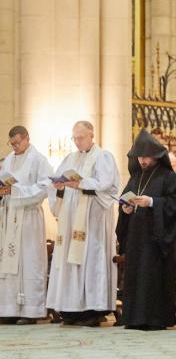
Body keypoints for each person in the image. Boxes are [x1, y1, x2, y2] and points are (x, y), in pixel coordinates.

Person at [46, 121, 119, 327]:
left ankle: (92, 310)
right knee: (69, 262)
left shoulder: (103, 156)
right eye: (74, 138)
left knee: (90, 261)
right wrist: (59, 186)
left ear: (91, 135)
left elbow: (107, 185)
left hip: (91, 220)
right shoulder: (69, 158)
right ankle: (71, 310)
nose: (77, 141)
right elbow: (56, 184)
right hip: (70, 220)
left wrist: (81, 183)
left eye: (81, 137)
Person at [116, 130, 176, 331]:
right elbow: (125, 199)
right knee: (135, 275)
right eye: (139, 157)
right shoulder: (136, 177)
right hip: (136, 237)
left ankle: (154, 319)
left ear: (156, 155)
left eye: (146, 157)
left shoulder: (168, 176)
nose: (142, 161)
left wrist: (152, 202)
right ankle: (134, 318)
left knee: (151, 276)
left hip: (155, 238)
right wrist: (125, 208)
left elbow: (174, 205)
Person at [0, 126, 53, 324]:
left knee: (29, 262)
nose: (14, 147)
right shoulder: (8, 160)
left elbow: (44, 187)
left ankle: (30, 311)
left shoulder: (38, 160)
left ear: (27, 139)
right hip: (10, 215)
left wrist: (16, 190)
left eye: (17, 142)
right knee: (8, 262)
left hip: (29, 217)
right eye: (11, 143)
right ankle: (9, 309)